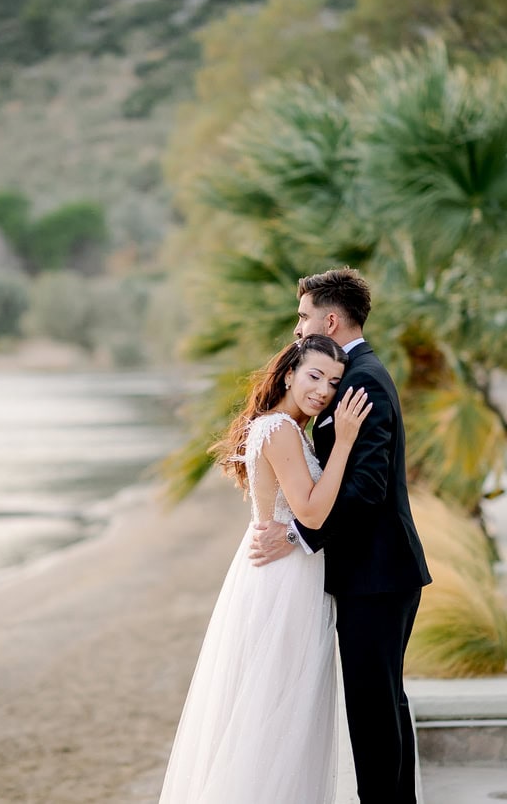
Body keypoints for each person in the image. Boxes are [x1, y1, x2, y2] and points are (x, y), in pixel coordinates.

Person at [159, 334, 371, 804]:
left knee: (283, 708)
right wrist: (347, 442)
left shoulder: (286, 428)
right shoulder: (278, 430)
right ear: (289, 372)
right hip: (284, 579)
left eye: (334, 383)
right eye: (314, 376)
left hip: (288, 570)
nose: (323, 391)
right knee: (277, 708)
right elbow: (312, 513)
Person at [250, 268, 432, 804]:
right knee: (383, 705)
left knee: (374, 710)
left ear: (329, 319)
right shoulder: (349, 376)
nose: (297, 327)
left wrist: (300, 538)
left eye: (303, 316)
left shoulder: (361, 380)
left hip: (377, 572)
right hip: (376, 571)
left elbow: (369, 487)